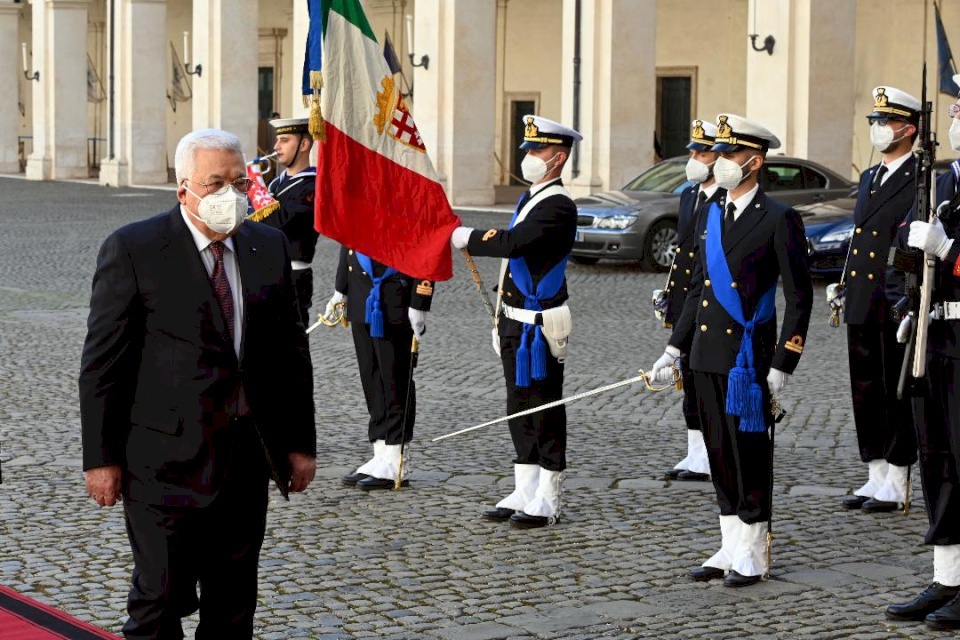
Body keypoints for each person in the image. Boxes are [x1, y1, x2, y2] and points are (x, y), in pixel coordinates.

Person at [79, 128, 317, 639]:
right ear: (183, 187)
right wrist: (100, 459)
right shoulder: (135, 248)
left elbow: (291, 355)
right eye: (215, 183)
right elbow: (103, 363)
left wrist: (299, 446)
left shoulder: (267, 245)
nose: (229, 195)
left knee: (233, 606)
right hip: (161, 464)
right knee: (158, 602)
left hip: (245, 460)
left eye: (237, 181)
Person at [649, 114, 813, 587]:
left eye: (728, 154)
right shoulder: (710, 211)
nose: (718, 162)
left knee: (749, 452)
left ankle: (755, 551)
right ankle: (728, 543)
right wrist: (673, 349)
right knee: (719, 450)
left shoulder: (779, 218)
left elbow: (799, 296)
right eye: (716, 153)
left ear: (755, 161)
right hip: (704, 351)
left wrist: (785, 359)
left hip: (749, 355)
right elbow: (701, 290)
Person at [450, 114, 581, 528]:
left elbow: (515, 243)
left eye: (537, 150)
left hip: (541, 325)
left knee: (545, 405)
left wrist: (466, 236)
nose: (529, 157)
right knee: (518, 404)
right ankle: (524, 486)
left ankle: (549, 493)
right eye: (527, 150)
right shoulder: (531, 199)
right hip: (514, 321)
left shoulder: (558, 205)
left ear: (558, 158)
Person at [885, 82, 960, 629]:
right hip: (936, 341)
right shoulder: (946, 185)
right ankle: (948, 576)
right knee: (938, 459)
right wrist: (914, 301)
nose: (954, 115)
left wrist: (948, 249)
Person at [836, 86, 920, 513]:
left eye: (885, 122)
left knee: (895, 388)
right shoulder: (870, 176)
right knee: (864, 387)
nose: (878, 129)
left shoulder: (921, 178)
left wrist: (904, 294)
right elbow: (861, 236)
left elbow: (908, 243)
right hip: (861, 297)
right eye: (875, 121)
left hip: (893, 297)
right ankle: (875, 472)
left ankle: (899, 476)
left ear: (908, 128)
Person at [327, 249, 432, 490]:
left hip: (396, 296)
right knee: (371, 378)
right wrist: (340, 290)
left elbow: (427, 248)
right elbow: (347, 243)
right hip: (361, 295)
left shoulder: (409, 210)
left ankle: (396, 458)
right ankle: (381, 451)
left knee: (395, 378)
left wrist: (420, 302)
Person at [657, 118, 724, 482]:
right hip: (685, 299)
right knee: (689, 380)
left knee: (706, 377)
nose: (696, 157)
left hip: (710, 301)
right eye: (693, 151)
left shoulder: (724, 199)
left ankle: (713, 453)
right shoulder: (689, 194)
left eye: (703, 151)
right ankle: (695, 452)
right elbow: (683, 253)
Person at [257, 117, 320, 326]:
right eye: (277, 140)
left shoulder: (312, 186)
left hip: (293, 275)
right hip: (265, 270)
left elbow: (280, 224)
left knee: (292, 349)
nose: (276, 147)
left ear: (303, 144)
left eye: (284, 140)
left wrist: (254, 192)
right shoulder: (276, 183)